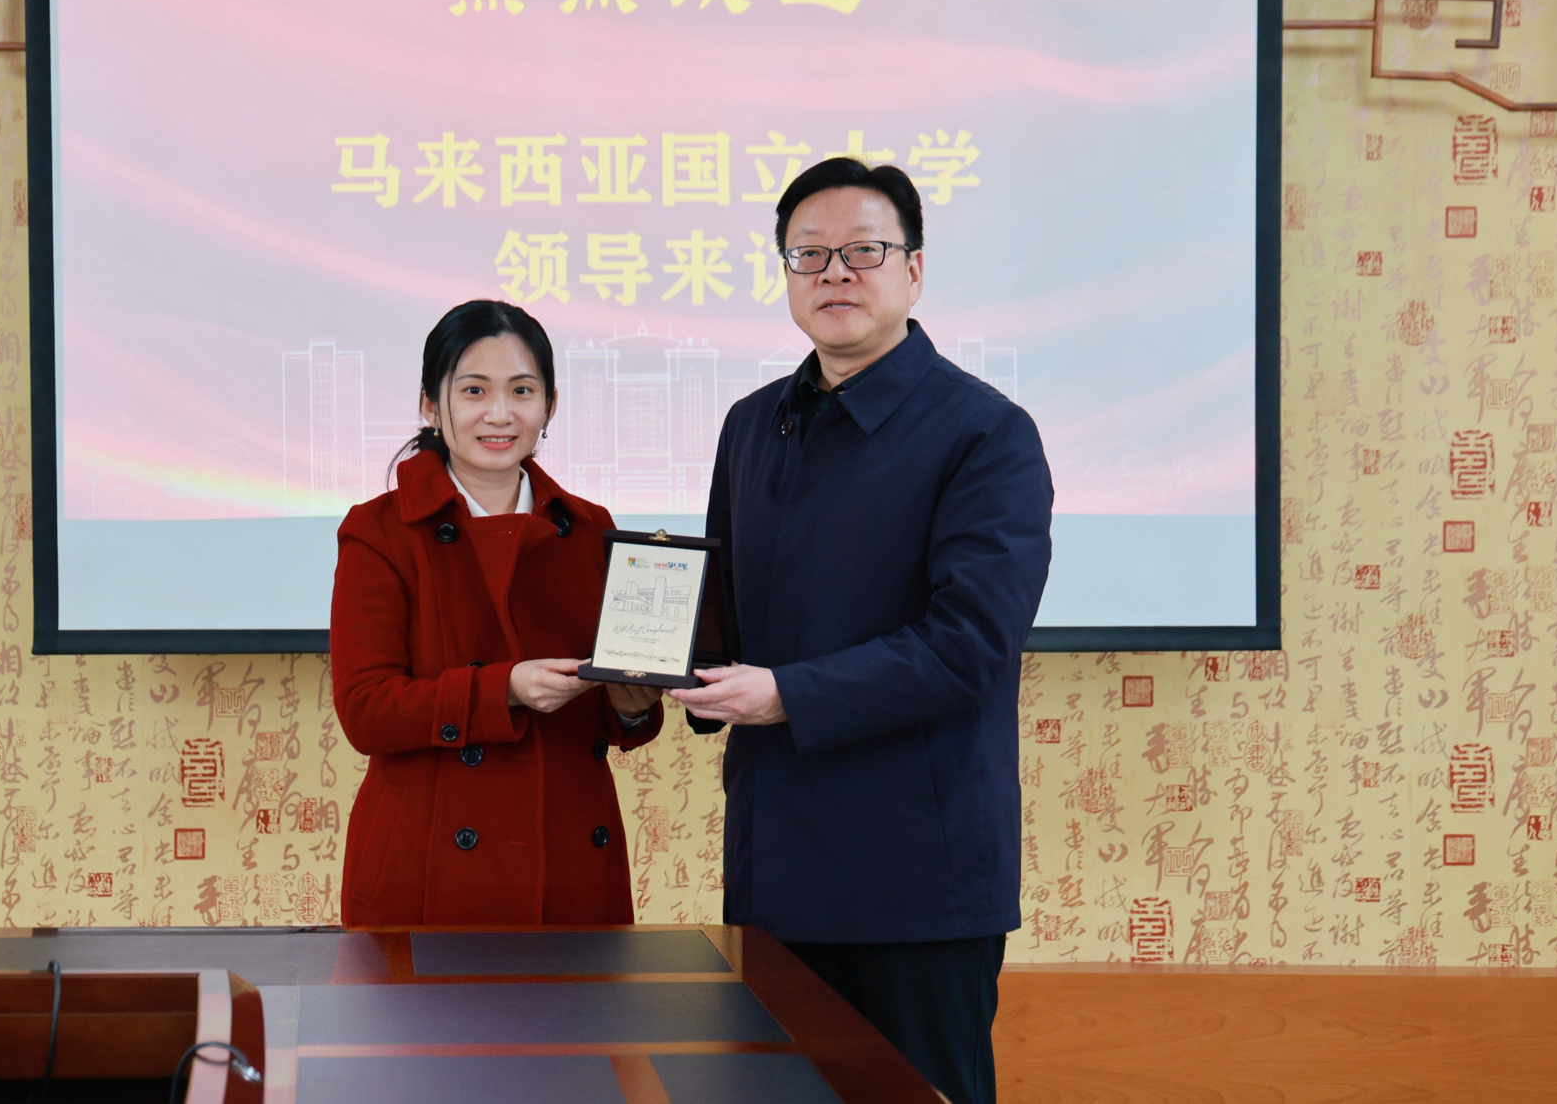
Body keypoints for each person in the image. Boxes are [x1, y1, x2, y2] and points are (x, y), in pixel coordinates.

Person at [669, 158, 1053, 1104]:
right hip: (777, 867)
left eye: (863, 252)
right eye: (809, 254)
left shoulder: (986, 433)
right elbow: (724, 611)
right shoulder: (752, 424)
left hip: (916, 883)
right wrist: (655, 668)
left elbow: (970, 645)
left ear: (914, 270)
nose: (834, 273)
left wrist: (786, 694)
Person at [330, 299, 663, 926]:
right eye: (474, 390)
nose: (501, 413)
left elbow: (619, 718)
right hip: (430, 869)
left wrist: (630, 705)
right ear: (431, 405)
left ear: (550, 405)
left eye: (522, 390)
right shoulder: (378, 531)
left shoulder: (590, 527)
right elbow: (366, 711)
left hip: (571, 860)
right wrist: (503, 689)